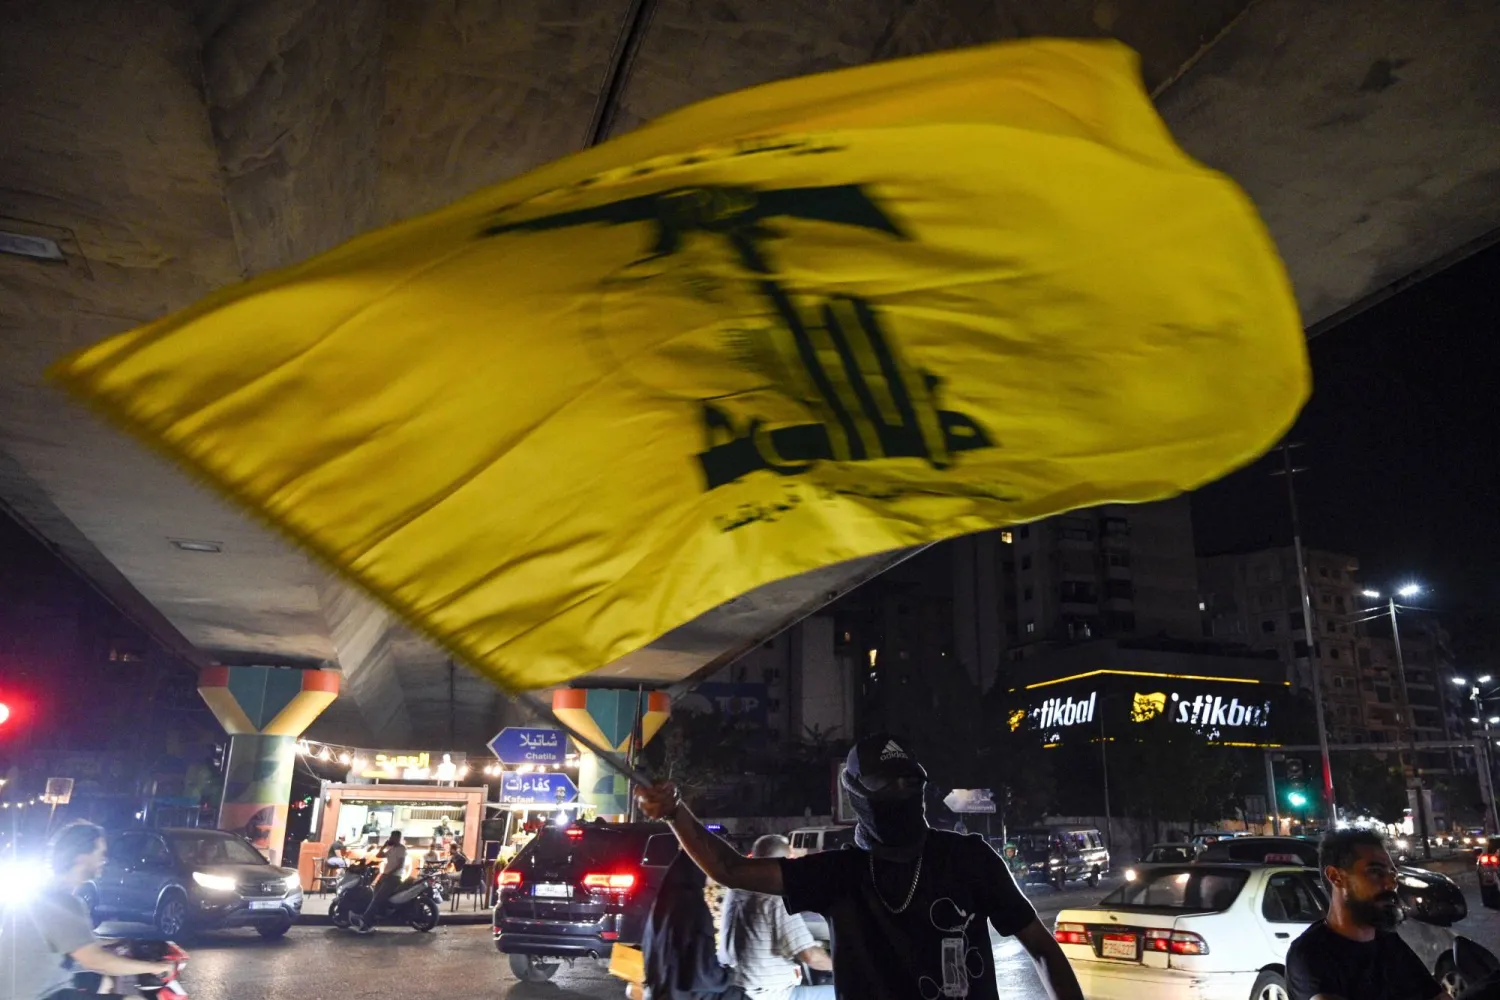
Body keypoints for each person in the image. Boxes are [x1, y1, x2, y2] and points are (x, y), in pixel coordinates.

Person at [639, 732, 1084, 1000]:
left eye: (910, 782)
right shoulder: (838, 873)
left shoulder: (969, 858)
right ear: (857, 795)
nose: (900, 792)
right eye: (884, 784)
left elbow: (1043, 948)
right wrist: (675, 811)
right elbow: (729, 869)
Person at [1, 821, 173, 1000]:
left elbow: (72, 939)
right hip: (43, 996)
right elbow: (95, 960)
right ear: (81, 856)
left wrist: (119, 942)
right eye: (100, 853)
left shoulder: (42, 894)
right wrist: (156, 967)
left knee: (103, 982)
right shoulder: (64, 902)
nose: (104, 860)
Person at [1286, 829, 1446, 1000]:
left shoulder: (1389, 942)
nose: (1391, 883)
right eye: (1376, 872)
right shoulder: (1311, 954)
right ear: (1335, 876)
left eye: (1393, 874)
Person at [719, 834, 834, 999]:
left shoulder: (735, 889)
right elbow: (810, 956)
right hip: (770, 994)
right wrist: (841, 967)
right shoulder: (773, 896)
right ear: (782, 863)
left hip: (736, 987)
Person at [353, 830, 407, 934]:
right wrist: (384, 846)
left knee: (377, 899)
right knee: (374, 896)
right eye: (391, 837)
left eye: (394, 837)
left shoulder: (401, 849)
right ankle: (373, 919)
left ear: (398, 838)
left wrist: (389, 874)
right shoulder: (392, 848)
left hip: (393, 878)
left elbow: (400, 865)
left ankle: (364, 921)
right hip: (385, 876)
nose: (392, 838)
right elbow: (379, 855)